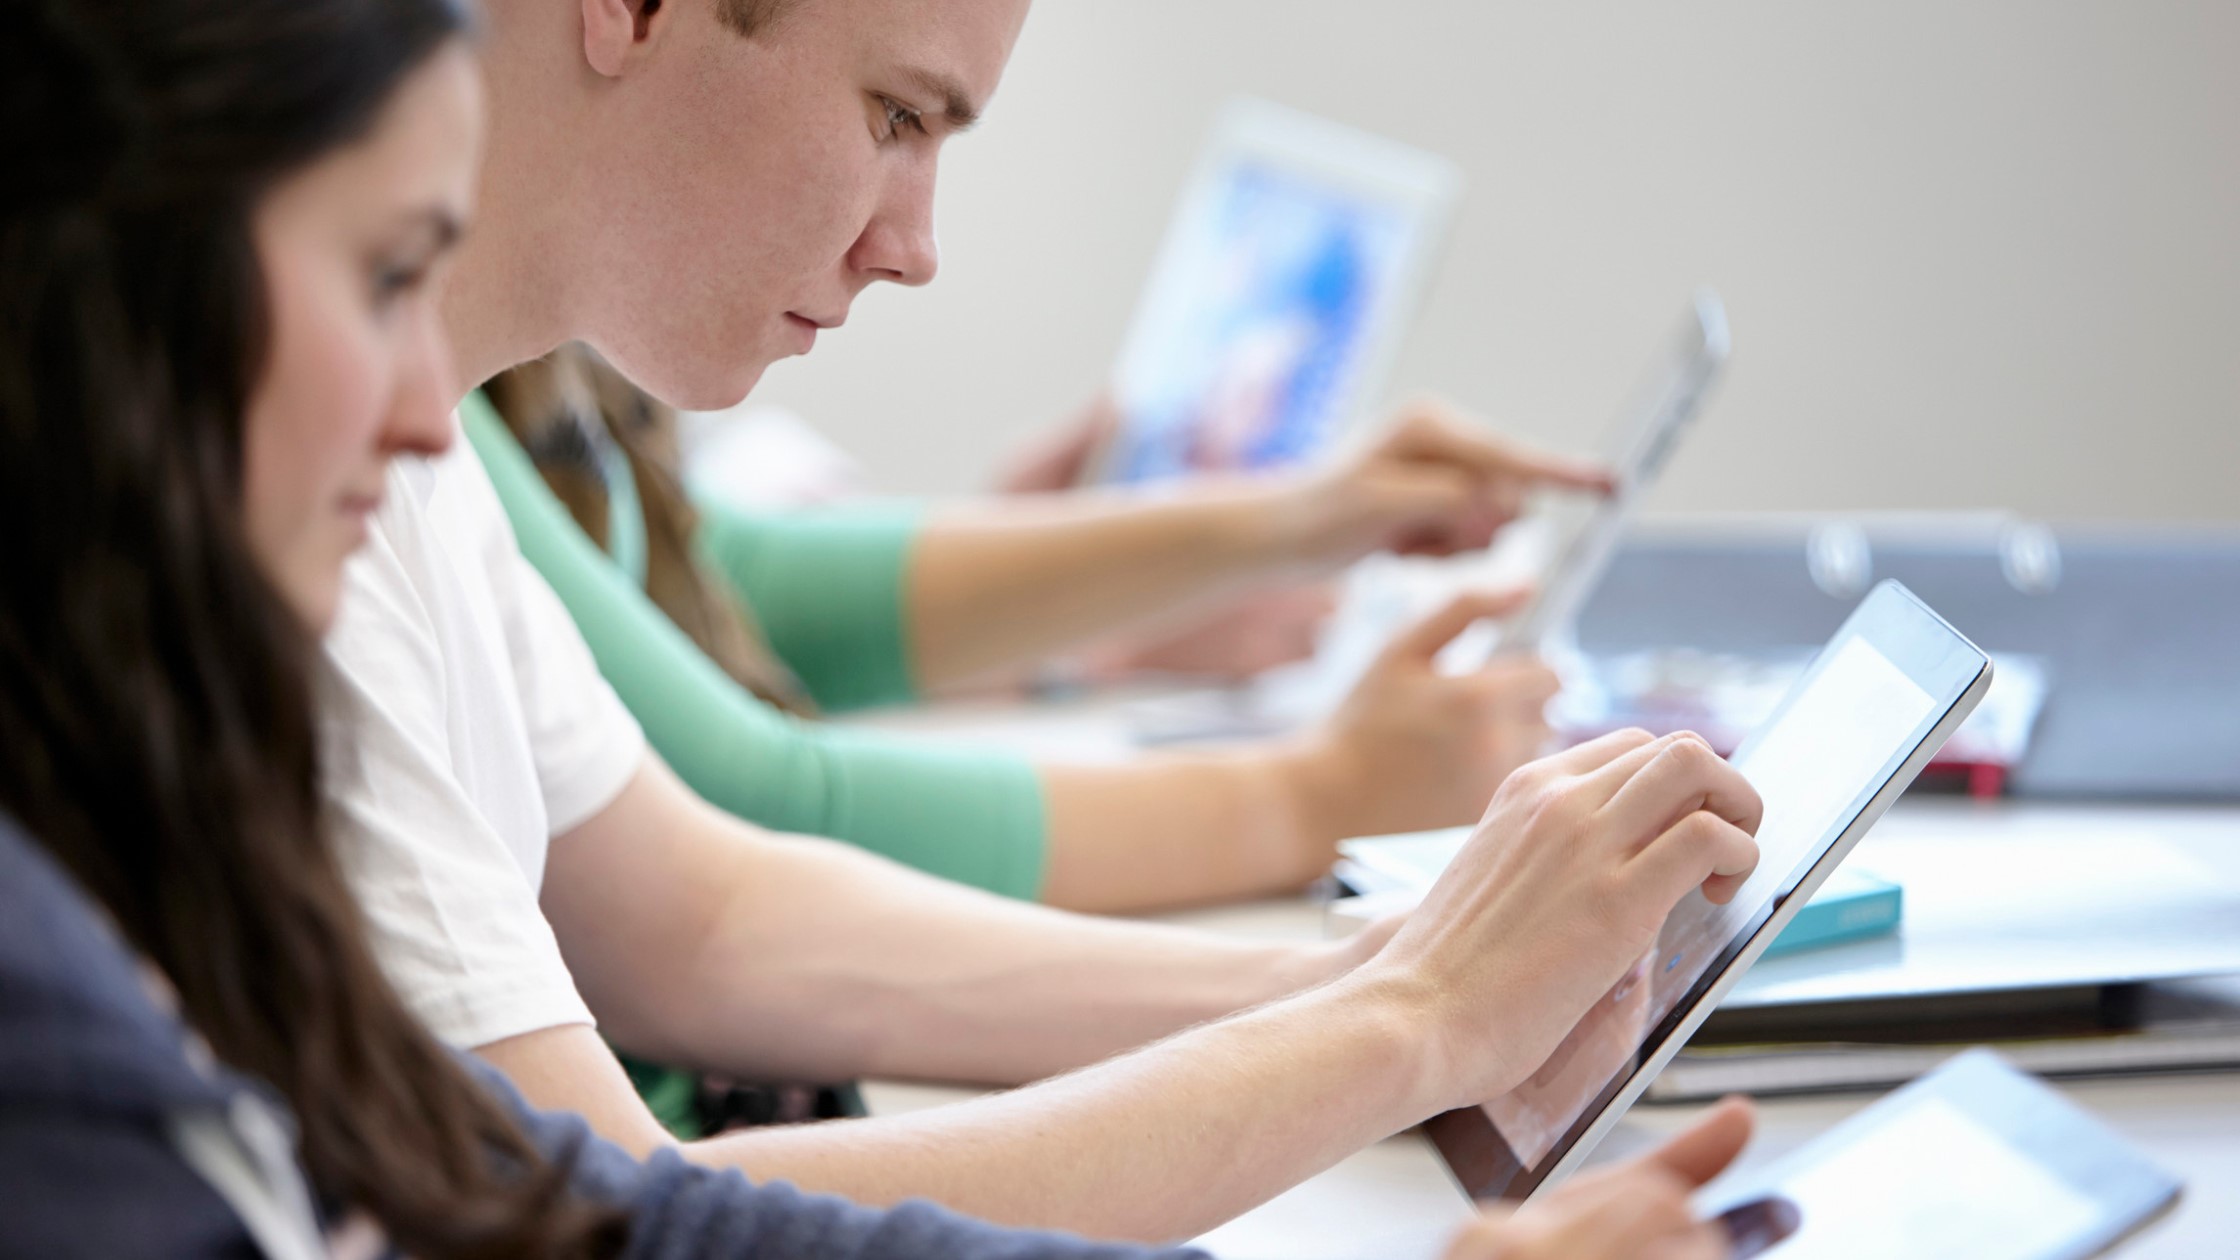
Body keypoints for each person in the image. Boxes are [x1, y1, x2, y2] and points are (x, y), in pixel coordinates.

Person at [0, 1, 1769, 1256]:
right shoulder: (301, 523)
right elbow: (592, 1228)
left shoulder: (380, 458)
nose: (917, 244)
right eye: (897, 118)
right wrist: (1379, 978)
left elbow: (703, 907)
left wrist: (1395, 995)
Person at [470, 344, 1578, 918]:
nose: (916, 247)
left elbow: (716, 582)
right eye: (893, 114)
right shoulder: (433, 405)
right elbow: (728, 807)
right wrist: (1317, 801)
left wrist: (1290, 518)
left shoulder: (534, 369)